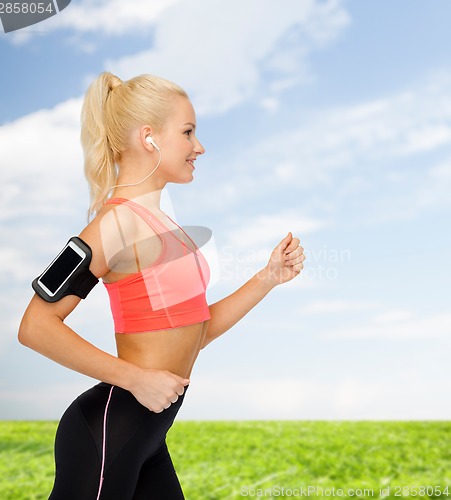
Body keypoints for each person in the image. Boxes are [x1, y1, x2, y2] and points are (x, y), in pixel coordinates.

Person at [18, 71, 305, 499]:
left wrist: (267, 278)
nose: (199, 147)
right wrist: (135, 379)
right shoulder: (115, 223)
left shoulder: (166, 230)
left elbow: (195, 332)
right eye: (188, 133)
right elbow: (35, 326)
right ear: (148, 137)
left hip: (148, 435)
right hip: (106, 435)